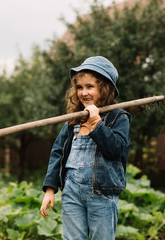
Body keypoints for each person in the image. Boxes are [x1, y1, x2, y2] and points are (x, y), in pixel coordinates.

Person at [40, 56, 131, 240]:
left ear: (104, 89)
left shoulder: (118, 118)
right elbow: (58, 152)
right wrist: (50, 189)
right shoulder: (75, 119)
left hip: (101, 193)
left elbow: (116, 149)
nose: (84, 93)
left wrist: (96, 122)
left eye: (90, 86)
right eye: (79, 87)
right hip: (72, 192)